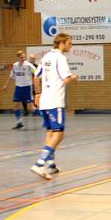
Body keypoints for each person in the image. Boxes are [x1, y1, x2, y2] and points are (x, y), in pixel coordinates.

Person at [30, 33, 78, 180]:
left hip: (44, 100)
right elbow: (66, 79)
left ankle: (51, 165)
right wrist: (75, 77)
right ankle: (39, 163)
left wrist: (37, 94)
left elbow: (36, 76)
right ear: (61, 43)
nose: (71, 46)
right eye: (69, 43)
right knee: (59, 134)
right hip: (55, 101)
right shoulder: (60, 58)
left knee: (50, 132)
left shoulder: (45, 57)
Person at [2, 50, 36, 129]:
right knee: (16, 106)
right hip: (18, 88)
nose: (23, 58)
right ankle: (19, 123)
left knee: (30, 108)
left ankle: (46, 118)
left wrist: (38, 77)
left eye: (24, 57)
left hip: (27, 87)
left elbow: (36, 71)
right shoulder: (15, 65)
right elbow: (11, 76)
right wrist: (6, 85)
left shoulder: (28, 65)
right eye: (21, 57)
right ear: (18, 57)